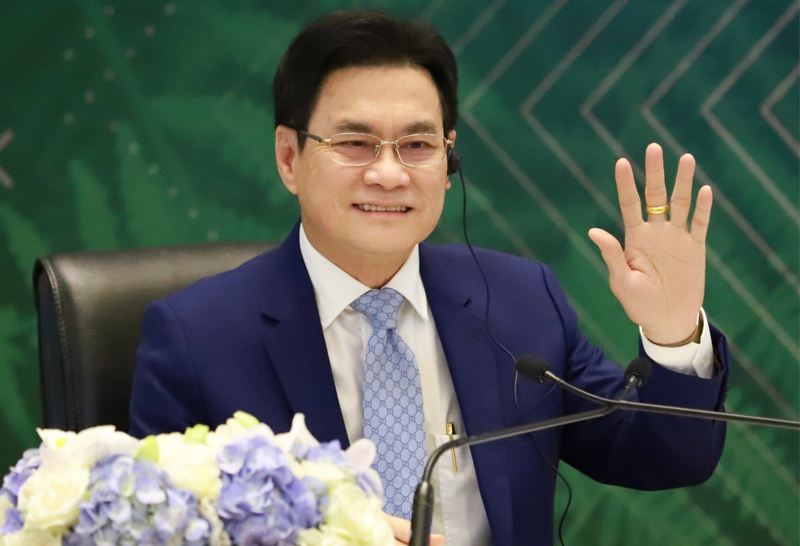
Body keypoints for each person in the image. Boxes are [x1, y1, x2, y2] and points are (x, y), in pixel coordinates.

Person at [130, 10, 729, 546]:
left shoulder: (520, 300)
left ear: (449, 163)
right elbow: (155, 531)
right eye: (355, 142)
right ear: (289, 158)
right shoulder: (197, 339)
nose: (389, 174)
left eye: (417, 144)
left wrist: (674, 334)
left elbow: (662, 457)